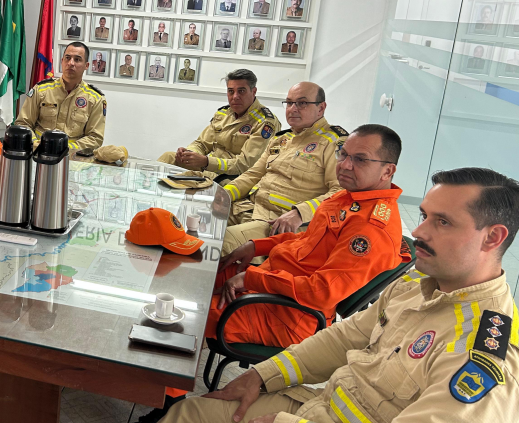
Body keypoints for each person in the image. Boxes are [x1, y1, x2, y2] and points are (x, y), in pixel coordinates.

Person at [161, 167, 519, 423]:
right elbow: (344, 336)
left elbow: (323, 292)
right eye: (424, 215)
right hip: (322, 404)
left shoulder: (482, 355)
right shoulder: (418, 285)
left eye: (443, 222)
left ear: (493, 237)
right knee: (188, 412)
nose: (419, 231)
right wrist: (262, 376)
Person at [150, 125, 410, 422]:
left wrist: (252, 278)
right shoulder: (349, 197)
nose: (345, 165)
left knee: (182, 317)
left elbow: (322, 291)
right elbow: (305, 240)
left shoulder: (371, 229)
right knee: (188, 274)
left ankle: (167, 404)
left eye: (360, 159)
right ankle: (159, 376)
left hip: (288, 314)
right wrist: (255, 246)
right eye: (344, 154)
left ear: (387, 171)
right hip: (271, 282)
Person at [221, 82, 348, 255]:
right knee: (193, 223)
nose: (293, 109)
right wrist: (223, 195)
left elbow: (341, 192)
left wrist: (300, 213)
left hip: (278, 224)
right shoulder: (282, 139)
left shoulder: (334, 143)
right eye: (289, 103)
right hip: (247, 208)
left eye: (302, 103)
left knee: (219, 244)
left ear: (321, 108)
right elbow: (253, 175)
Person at [157, 69, 280, 177]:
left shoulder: (265, 122)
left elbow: (245, 164)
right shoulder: (223, 114)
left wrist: (206, 162)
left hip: (232, 177)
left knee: (185, 179)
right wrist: (189, 154)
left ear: (254, 91)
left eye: (241, 91)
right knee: (168, 157)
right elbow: (202, 144)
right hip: (209, 167)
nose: (235, 96)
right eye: (231, 91)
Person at [15, 42, 106, 152]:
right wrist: (36, 144)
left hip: (72, 157)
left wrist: (65, 148)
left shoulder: (95, 99)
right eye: (67, 58)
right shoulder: (41, 90)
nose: (71, 63)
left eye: (77, 59)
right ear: (62, 61)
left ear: (86, 65)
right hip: (39, 153)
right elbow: (23, 123)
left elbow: (95, 138)